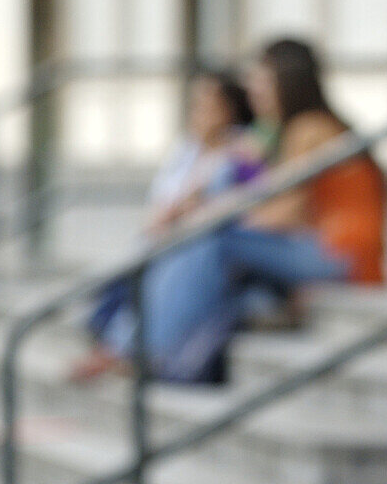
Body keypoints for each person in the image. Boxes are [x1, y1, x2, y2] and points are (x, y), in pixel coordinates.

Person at [129, 38, 387, 383]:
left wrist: (223, 215)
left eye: (261, 82)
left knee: (215, 237)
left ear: (286, 83)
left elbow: (287, 213)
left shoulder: (309, 128)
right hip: (335, 249)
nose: (253, 92)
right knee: (210, 239)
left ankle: (147, 349)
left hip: (346, 256)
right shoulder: (301, 128)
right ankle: (150, 346)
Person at [71, 70, 255, 381]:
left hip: (208, 245)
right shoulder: (187, 150)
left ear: (229, 110)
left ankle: (125, 349)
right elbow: (162, 204)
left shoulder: (240, 152)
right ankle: (118, 344)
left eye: (207, 106)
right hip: (171, 237)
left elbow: (232, 205)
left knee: (169, 262)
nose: (197, 114)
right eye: (195, 104)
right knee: (141, 262)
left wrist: (183, 208)